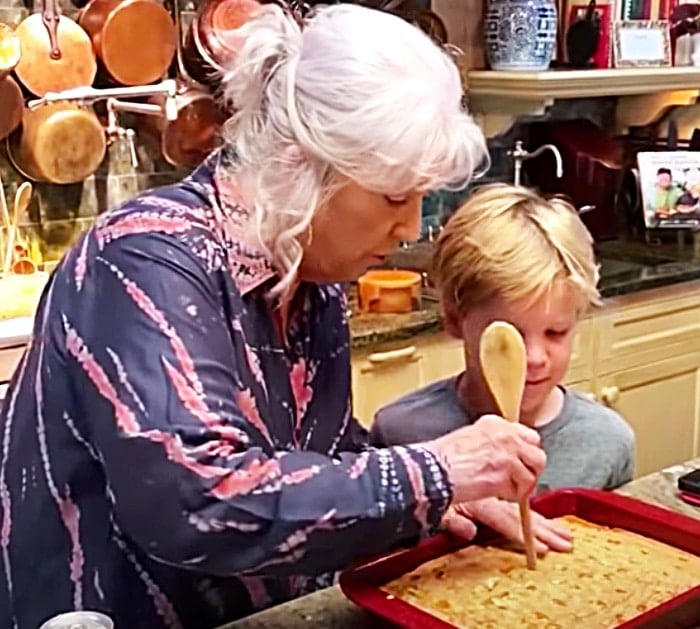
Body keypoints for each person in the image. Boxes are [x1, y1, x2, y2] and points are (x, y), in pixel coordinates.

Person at [0, 6, 558, 629]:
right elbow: (196, 500)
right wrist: (432, 474)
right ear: (301, 165)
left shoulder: (308, 279)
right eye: (396, 197)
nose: (410, 227)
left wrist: (441, 501)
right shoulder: (144, 256)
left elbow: (312, 451)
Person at [370, 184, 635, 549]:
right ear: (454, 320)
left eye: (556, 332)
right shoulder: (401, 432)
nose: (536, 358)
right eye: (510, 336)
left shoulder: (607, 442)